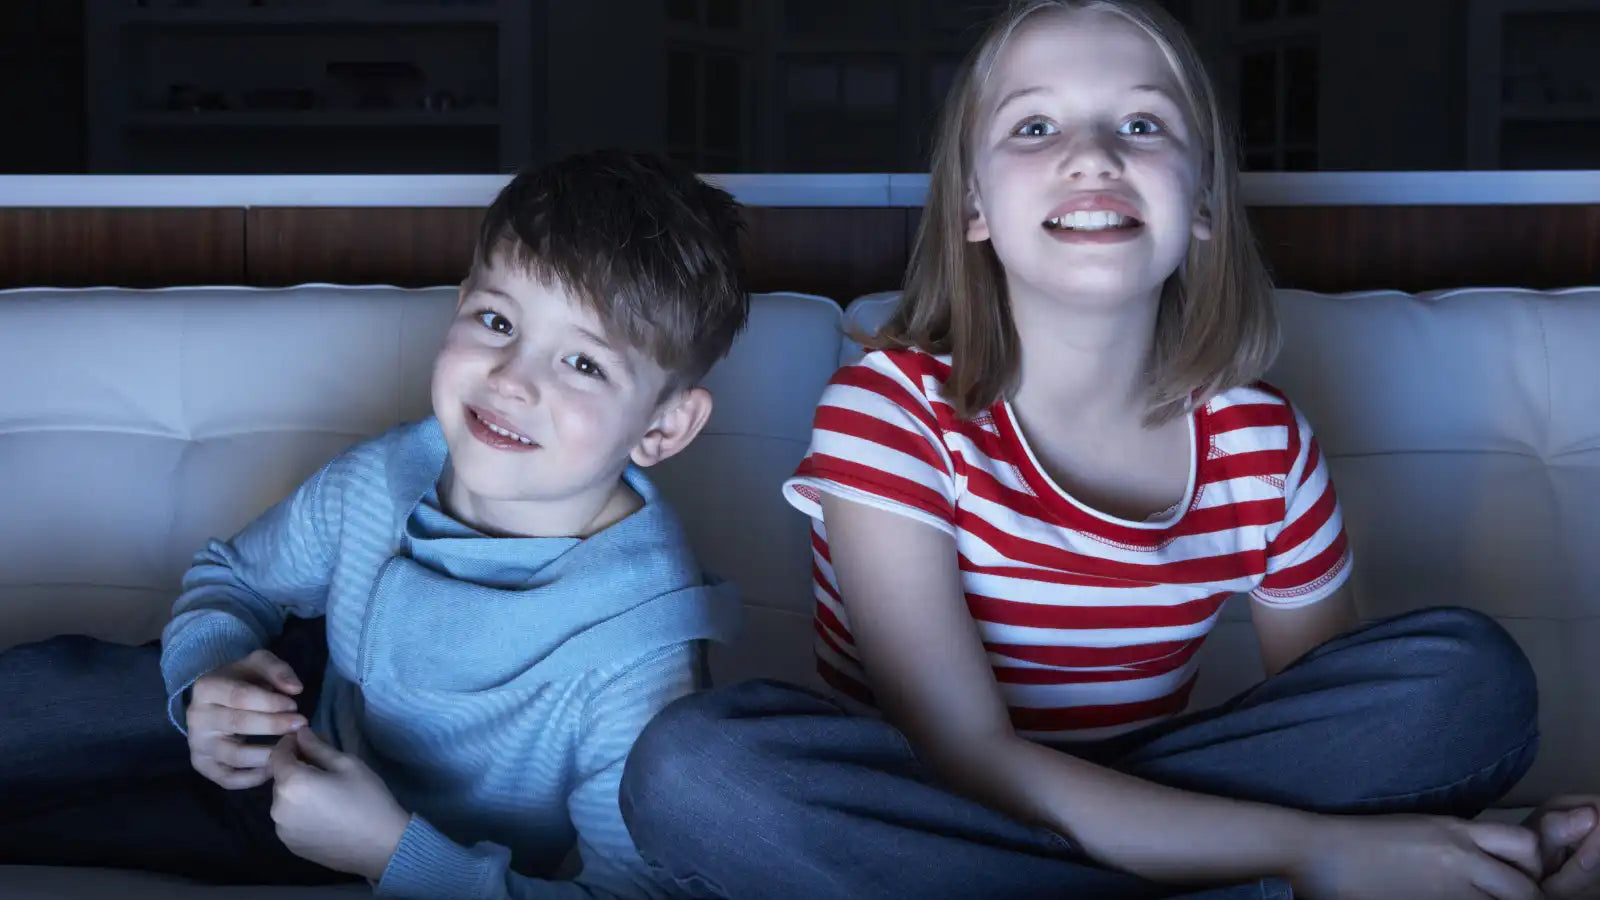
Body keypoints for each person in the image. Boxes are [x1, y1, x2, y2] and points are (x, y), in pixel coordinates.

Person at [617, 3, 1584, 898]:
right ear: (974, 210)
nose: (1092, 157)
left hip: (1102, 808)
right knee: (699, 770)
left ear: (1201, 202)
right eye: (1035, 128)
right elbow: (966, 756)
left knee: (1468, 678)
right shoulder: (892, 409)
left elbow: (1334, 725)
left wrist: (1441, 830)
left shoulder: (1261, 443)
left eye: (1142, 126)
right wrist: (1315, 850)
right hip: (931, 799)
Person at [0, 149, 749, 899]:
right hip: (294, 701)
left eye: (583, 365)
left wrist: (392, 854)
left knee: (73, 822)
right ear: (459, 304)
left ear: (665, 425)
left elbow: (634, 893)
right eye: (496, 321)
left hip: (382, 843)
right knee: (56, 698)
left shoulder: (640, 659)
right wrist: (209, 673)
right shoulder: (385, 475)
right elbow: (233, 575)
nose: (512, 380)